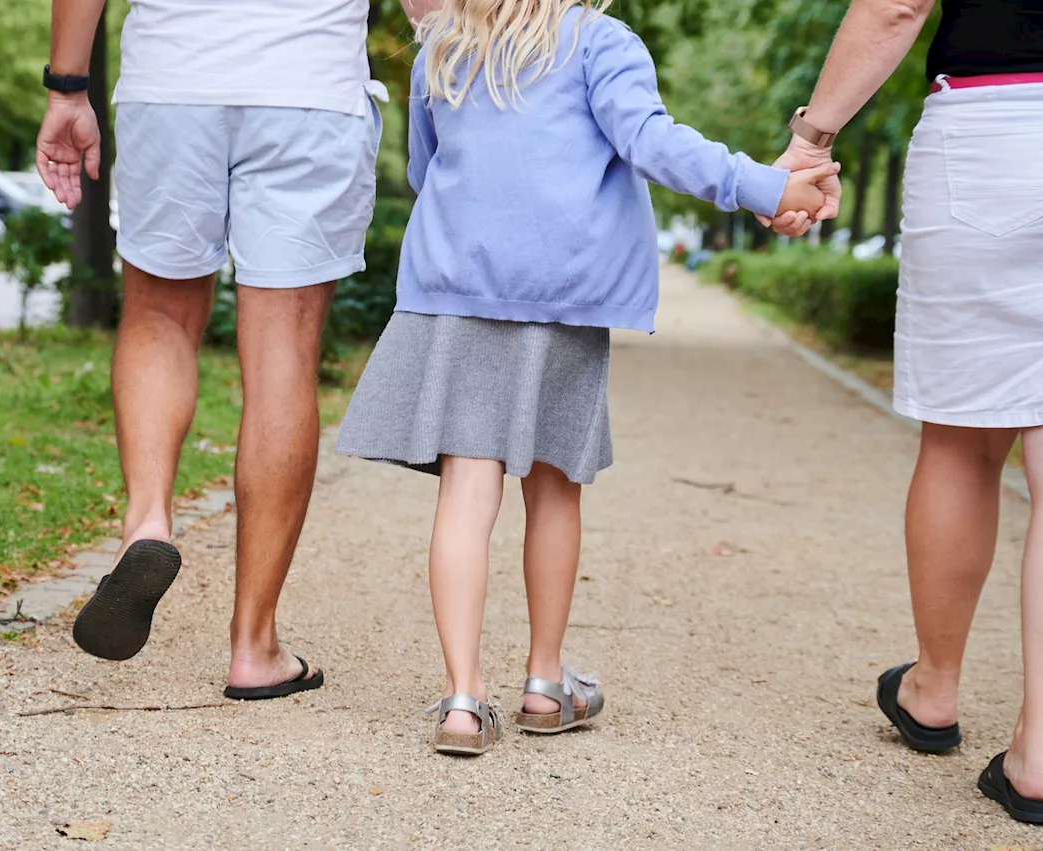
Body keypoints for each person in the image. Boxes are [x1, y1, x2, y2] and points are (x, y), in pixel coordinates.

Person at [336, 0, 837, 755]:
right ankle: (543, 684)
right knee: (553, 484)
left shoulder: (444, 46)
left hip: (461, 288)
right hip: (562, 295)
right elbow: (651, 143)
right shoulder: (602, 42)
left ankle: (464, 702)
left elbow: (421, 169)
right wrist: (763, 187)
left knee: (466, 492)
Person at [764, 0, 1043, 826]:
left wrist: (813, 136)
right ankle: (1042, 751)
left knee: (964, 439)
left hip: (1002, 124)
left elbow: (897, 6)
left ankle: (934, 688)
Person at [35, 0, 388, 699]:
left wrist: (67, 85)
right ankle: (254, 647)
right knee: (283, 348)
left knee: (159, 315)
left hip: (174, 78)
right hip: (310, 86)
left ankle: (148, 521)